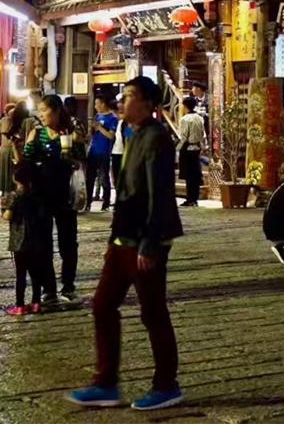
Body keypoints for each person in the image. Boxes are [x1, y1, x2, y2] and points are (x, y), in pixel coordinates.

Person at [68, 76, 184, 411]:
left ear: (148, 103)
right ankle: (105, 383)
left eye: (130, 95)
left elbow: (159, 194)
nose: (122, 101)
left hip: (145, 240)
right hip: (123, 238)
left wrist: (150, 243)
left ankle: (166, 384)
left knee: (153, 312)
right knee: (103, 305)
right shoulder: (132, 133)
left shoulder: (157, 138)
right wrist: (114, 237)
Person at [24, 95, 79, 305]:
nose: (41, 115)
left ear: (56, 111)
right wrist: (29, 146)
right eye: (39, 110)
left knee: (68, 243)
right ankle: (49, 290)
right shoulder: (37, 134)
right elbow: (27, 161)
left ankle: (68, 286)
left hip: (65, 195)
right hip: (41, 195)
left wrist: (71, 156)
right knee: (43, 243)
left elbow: (81, 159)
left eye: (44, 110)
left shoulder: (71, 133)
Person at [1, 163, 51, 315]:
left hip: (20, 241)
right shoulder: (38, 196)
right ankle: (36, 303)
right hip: (36, 240)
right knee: (36, 273)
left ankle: (20, 305)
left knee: (21, 275)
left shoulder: (14, 195)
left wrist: (5, 210)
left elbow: (8, 215)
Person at [87, 96, 117, 212]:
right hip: (93, 151)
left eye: (97, 104)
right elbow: (93, 134)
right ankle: (88, 202)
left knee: (104, 178)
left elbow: (111, 136)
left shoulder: (112, 118)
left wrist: (100, 128)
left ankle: (106, 203)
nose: (95, 106)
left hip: (104, 152)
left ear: (103, 104)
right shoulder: (97, 116)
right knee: (90, 178)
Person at [177, 97, 206, 207]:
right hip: (197, 148)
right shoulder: (200, 118)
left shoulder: (185, 119)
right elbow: (203, 134)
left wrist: (177, 148)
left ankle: (190, 199)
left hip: (187, 149)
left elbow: (184, 137)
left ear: (185, 106)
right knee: (195, 175)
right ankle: (194, 198)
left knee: (189, 176)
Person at [0, 103, 29, 196]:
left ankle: (6, 196)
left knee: (8, 178)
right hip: (11, 151)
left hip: (6, 150)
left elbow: (0, 136)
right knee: (11, 177)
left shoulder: (5, 121)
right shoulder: (9, 121)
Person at [111, 107, 131, 196]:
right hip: (115, 152)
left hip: (123, 153)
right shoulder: (115, 123)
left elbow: (128, 138)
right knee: (115, 177)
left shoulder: (127, 124)